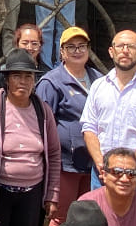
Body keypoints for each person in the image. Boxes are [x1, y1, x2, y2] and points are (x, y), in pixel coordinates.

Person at [0, 49, 61, 226]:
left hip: (32, 193)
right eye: (17, 76)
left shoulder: (42, 111)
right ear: (6, 79)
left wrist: (52, 194)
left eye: (28, 76)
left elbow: (54, 153)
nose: (23, 81)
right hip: (1, 192)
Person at [81, 29, 136, 202]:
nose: (125, 50)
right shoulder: (98, 87)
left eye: (131, 46)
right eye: (120, 46)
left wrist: (127, 169)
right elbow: (89, 128)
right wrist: (102, 165)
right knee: (100, 225)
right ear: (111, 51)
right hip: (102, 173)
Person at [37, 26, 99, 207]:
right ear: (62, 52)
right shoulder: (51, 82)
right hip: (65, 165)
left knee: (90, 214)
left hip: (95, 162)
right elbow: (42, 125)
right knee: (62, 215)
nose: (77, 51)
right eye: (71, 47)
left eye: (81, 46)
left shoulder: (100, 79)